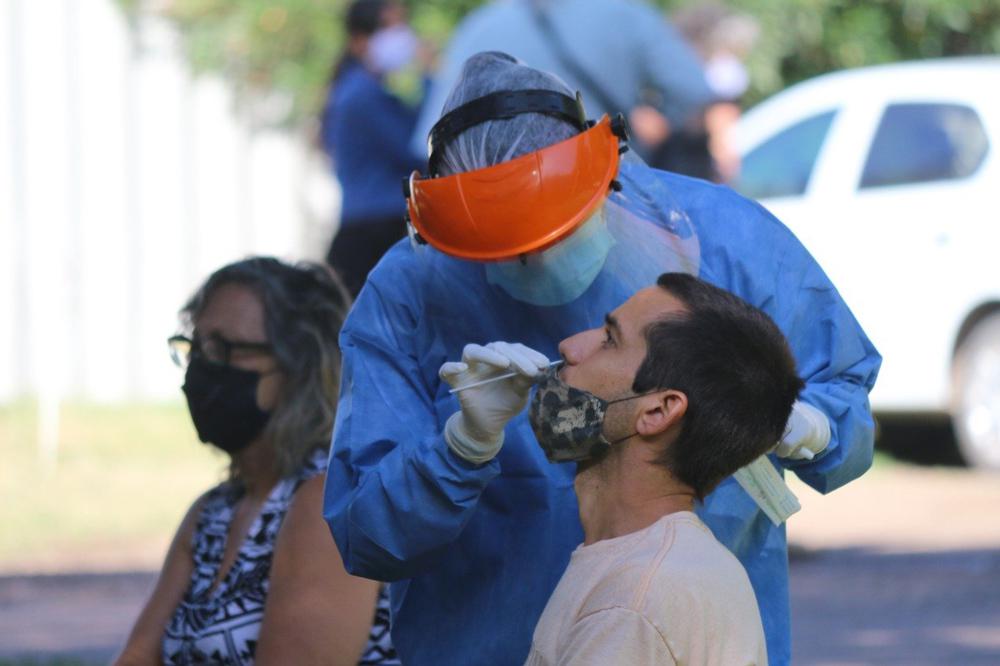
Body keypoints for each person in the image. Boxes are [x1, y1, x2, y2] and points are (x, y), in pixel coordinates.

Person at [324, 52, 880, 666]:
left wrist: (811, 426)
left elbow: (843, 399)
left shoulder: (728, 244)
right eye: (500, 253)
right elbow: (367, 536)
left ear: (606, 175)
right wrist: (459, 451)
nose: (565, 341)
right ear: (445, 230)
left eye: (612, 335)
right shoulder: (411, 293)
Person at [114, 258, 397, 665]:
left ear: (299, 368)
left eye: (226, 349)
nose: (202, 368)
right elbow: (138, 656)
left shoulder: (330, 505)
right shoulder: (213, 513)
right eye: (196, 346)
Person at [522, 272, 803, 665]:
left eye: (609, 340)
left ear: (657, 411)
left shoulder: (629, 605)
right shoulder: (678, 565)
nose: (569, 347)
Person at [410, 0, 716, 162]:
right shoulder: (624, 14)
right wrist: (657, 125)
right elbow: (692, 89)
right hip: (613, 197)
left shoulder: (477, 28)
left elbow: (429, 140)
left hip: (502, 222)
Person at [321, 0, 427, 296]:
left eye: (401, 26)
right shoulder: (363, 95)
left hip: (368, 229)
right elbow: (419, 149)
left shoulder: (360, 90)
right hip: (378, 232)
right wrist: (429, 75)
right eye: (387, 27)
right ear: (358, 41)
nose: (400, 36)